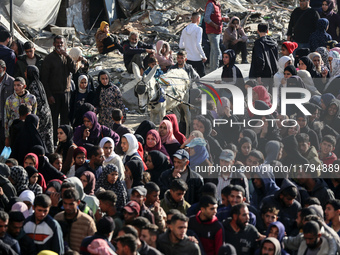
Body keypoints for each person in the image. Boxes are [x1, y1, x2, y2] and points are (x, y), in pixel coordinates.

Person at [41, 35, 76, 143]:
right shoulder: (49, 59)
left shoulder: (66, 57)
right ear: (53, 44)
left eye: (61, 43)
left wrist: (68, 56)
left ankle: (66, 141)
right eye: (57, 43)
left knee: (65, 119)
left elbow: (74, 70)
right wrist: (49, 95)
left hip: (65, 93)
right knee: (54, 120)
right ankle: (54, 141)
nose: (59, 45)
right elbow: (44, 79)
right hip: (54, 94)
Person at [54, 188, 96, 253]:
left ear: (78, 202)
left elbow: (93, 244)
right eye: (65, 203)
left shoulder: (87, 221)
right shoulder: (58, 218)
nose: (67, 207)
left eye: (71, 204)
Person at [26, 65, 54, 154]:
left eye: (27, 72)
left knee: (40, 138)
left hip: (40, 116)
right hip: (46, 114)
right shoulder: (39, 83)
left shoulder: (33, 86)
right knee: (47, 137)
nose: (25, 73)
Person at [4, 77, 37, 145]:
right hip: (14, 130)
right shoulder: (9, 100)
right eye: (14, 85)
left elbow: (34, 115)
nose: (16, 87)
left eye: (18, 85)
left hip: (28, 130)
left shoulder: (31, 98)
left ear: (24, 86)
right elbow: (6, 118)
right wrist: (7, 136)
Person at [249, 23, 278, 92]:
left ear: (258, 31)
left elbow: (260, 59)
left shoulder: (259, 43)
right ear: (267, 31)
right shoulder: (274, 42)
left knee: (262, 94)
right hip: (273, 72)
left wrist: (258, 76)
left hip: (263, 74)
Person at [179, 12, 207, 77]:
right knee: (202, 77)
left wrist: (188, 45)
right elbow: (198, 44)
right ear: (198, 18)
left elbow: (181, 45)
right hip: (197, 58)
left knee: (188, 77)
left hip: (188, 58)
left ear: (191, 18)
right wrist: (203, 56)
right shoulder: (199, 29)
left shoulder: (184, 30)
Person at [204, 0, 228, 72]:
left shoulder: (216, 5)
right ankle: (215, 71)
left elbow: (216, 17)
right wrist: (215, 25)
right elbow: (206, 18)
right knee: (217, 51)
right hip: (212, 32)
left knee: (213, 51)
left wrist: (222, 19)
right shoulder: (210, 4)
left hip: (216, 32)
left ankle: (212, 69)